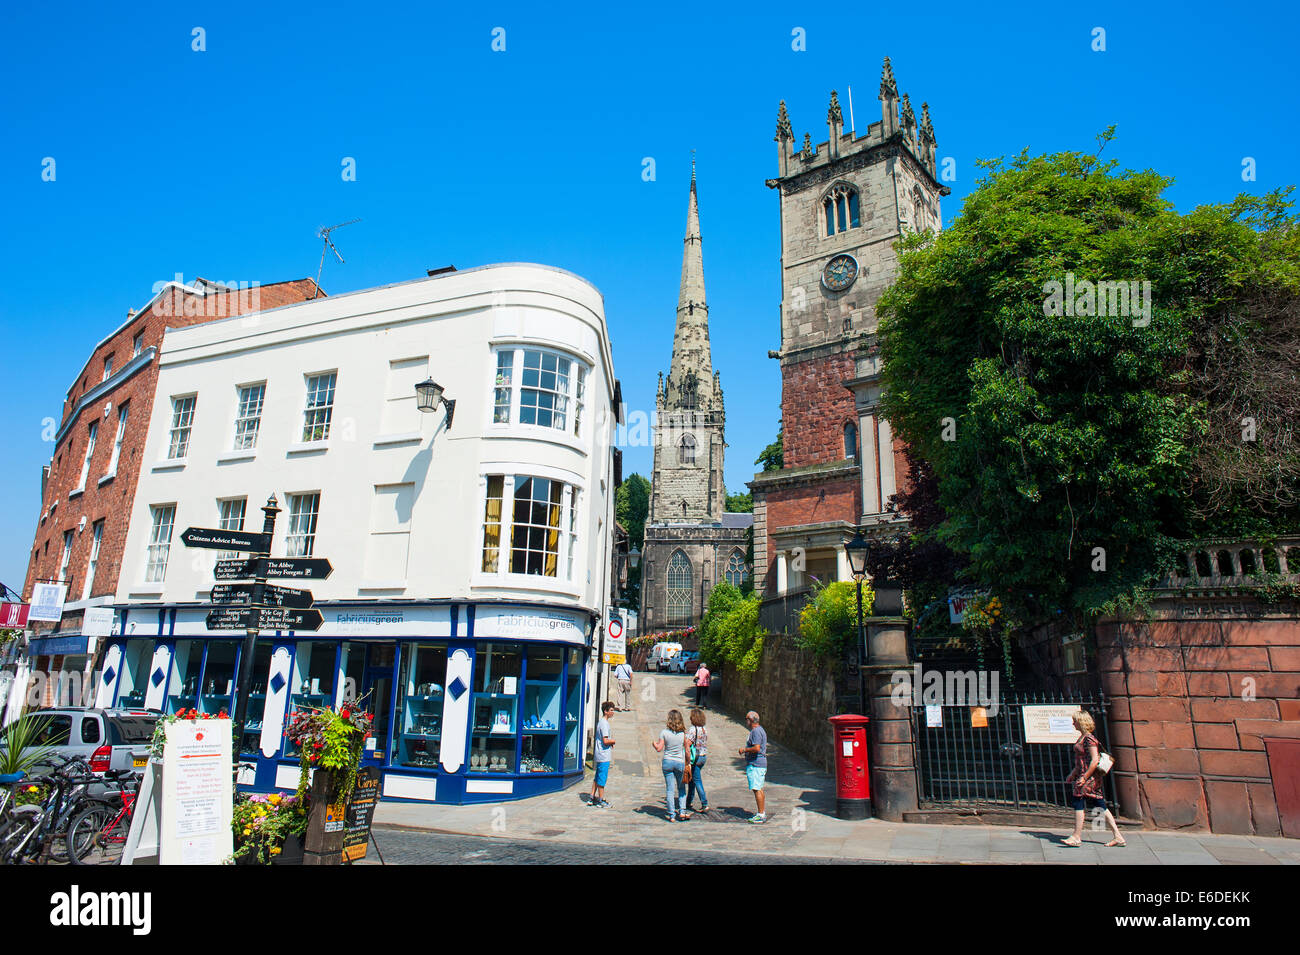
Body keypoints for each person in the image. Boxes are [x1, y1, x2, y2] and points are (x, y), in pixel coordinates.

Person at [1063, 710, 1125, 847]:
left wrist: (1084, 777)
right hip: (1084, 775)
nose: (1073, 723)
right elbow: (1081, 760)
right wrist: (1073, 773)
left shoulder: (1089, 739)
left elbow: (1094, 759)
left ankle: (1076, 836)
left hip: (1088, 777)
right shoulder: (1083, 738)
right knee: (1100, 804)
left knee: (1078, 801)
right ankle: (1118, 836)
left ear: (1081, 722)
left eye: (1075, 721)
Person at [651, 708, 690, 821]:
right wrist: (688, 762)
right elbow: (687, 750)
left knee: (670, 789)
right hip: (679, 762)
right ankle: (682, 811)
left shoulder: (664, 733)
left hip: (667, 761)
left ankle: (671, 814)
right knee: (681, 788)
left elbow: (659, 748)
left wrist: (653, 743)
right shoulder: (683, 734)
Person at [739, 710, 768, 824]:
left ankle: (761, 814)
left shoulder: (755, 732)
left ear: (751, 720)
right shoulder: (760, 730)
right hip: (759, 763)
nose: (746, 721)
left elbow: (757, 748)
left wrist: (744, 750)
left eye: (746, 719)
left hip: (756, 763)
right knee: (759, 788)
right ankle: (761, 812)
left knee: (757, 789)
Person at [590, 701, 616, 808]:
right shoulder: (604, 724)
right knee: (602, 778)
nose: (613, 712)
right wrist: (612, 741)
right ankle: (601, 800)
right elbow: (605, 741)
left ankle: (591, 797)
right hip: (603, 755)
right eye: (611, 710)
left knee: (597, 777)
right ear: (605, 711)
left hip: (599, 753)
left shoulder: (601, 722)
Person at [684, 708, 709, 813]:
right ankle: (689, 801)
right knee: (692, 779)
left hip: (695, 758)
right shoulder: (704, 729)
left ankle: (704, 803)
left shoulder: (693, 729)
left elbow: (688, 743)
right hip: (703, 756)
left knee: (697, 780)